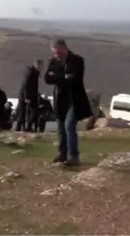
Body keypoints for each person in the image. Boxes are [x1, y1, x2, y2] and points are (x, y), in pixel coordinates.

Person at [45, 38, 92, 166]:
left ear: (65, 49)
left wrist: (57, 77)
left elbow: (74, 80)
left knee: (69, 125)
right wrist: (63, 76)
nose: (57, 56)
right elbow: (47, 78)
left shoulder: (77, 61)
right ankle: (62, 154)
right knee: (60, 127)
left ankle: (74, 156)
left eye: (59, 53)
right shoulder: (53, 62)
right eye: (55, 53)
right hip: (60, 100)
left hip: (74, 99)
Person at [16, 59, 43, 132]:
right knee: (23, 112)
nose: (41, 68)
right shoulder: (30, 72)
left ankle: (28, 127)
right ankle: (19, 128)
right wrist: (26, 97)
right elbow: (26, 84)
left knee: (33, 112)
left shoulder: (36, 72)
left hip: (32, 95)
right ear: (36, 65)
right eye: (40, 66)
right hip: (25, 95)